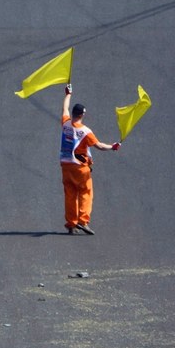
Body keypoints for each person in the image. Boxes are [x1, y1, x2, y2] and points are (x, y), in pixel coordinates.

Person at [59, 84, 120, 235]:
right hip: (80, 167)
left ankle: (71, 223)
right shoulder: (86, 132)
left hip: (65, 165)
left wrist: (68, 94)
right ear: (82, 115)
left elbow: (64, 109)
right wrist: (113, 146)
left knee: (70, 194)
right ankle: (83, 221)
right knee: (86, 192)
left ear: (74, 113)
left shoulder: (66, 123)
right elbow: (99, 146)